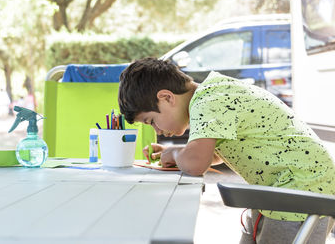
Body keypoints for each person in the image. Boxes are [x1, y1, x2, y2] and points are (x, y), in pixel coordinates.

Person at [118, 57, 335, 244]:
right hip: (282, 191)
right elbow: (213, 154)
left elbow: (196, 163)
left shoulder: (209, 100)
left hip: (302, 190)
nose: (159, 130)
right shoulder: (213, 96)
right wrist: (176, 151)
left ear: (166, 97)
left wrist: (175, 154)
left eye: (152, 121)